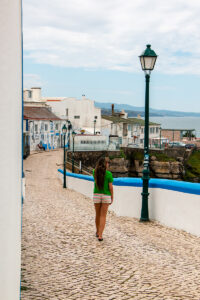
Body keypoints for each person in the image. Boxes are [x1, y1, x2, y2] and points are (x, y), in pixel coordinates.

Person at [93, 157, 113, 241]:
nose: (108, 164)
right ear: (105, 164)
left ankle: (97, 232)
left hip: (97, 194)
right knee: (103, 216)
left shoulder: (94, 172)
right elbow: (110, 187)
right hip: (106, 195)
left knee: (97, 214)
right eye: (107, 162)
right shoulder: (109, 174)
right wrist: (112, 197)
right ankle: (100, 235)